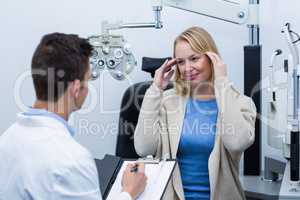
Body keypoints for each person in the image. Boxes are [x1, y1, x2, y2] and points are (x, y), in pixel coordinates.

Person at [0, 33, 146, 200]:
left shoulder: (6, 139)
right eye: (88, 80)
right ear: (76, 88)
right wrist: (129, 192)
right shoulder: (72, 160)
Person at [134, 26, 257, 200]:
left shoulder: (240, 103)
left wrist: (221, 82)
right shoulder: (168, 102)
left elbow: (237, 143)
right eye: (180, 62)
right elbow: (143, 148)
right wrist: (155, 89)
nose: (187, 68)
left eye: (194, 58)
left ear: (211, 59)